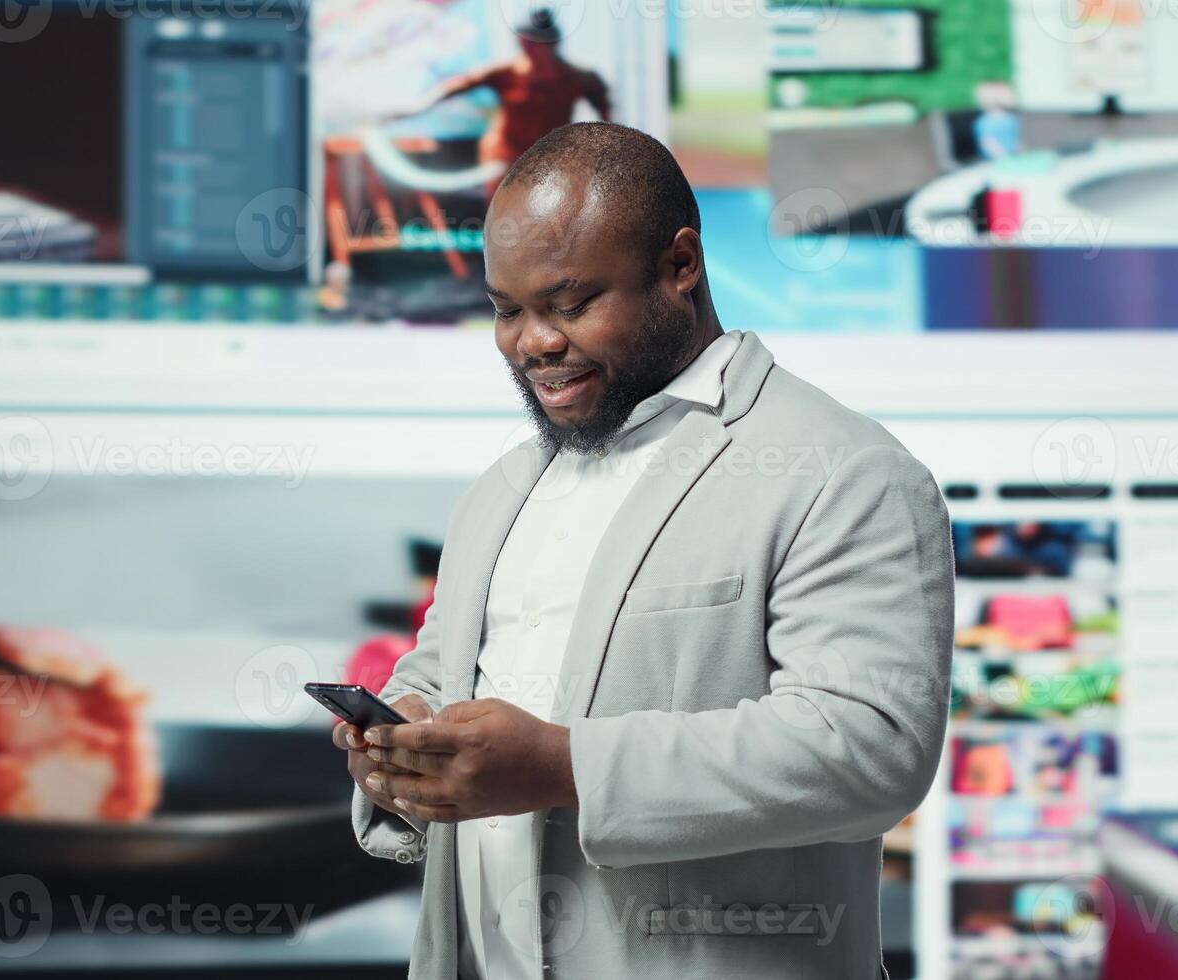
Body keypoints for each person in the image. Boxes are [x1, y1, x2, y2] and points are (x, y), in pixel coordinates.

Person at [332, 122, 954, 978]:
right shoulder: (502, 490)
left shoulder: (843, 470)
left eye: (570, 301)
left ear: (681, 265)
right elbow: (441, 677)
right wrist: (404, 743)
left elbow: (870, 747)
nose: (533, 343)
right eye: (507, 310)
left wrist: (562, 766)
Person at [395, 9, 610, 197]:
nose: (526, 49)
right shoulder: (506, 73)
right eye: (523, 43)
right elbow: (459, 85)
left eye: (532, 44)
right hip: (505, 154)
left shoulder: (579, 79)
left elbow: (606, 111)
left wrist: (608, 150)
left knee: (550, 214)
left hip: (551, 158)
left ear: (550, 44)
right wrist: (416, 107)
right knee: (504, 213)